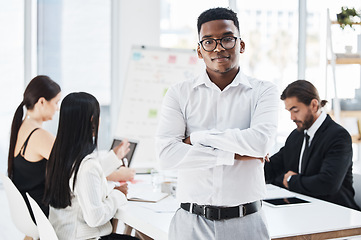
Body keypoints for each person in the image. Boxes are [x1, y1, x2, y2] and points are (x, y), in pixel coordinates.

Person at [156, 7, 278, 240]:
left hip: (247, 224)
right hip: (190, 224)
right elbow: (166, 155)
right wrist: (235, 154)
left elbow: (260, 143)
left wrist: (198, 139)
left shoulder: (264, 91)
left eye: (227, 39)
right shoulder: (179, 93)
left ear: (241, 44)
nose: (219, 47)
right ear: (200, 51)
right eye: (209, 42)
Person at [43, 92, 139, 240]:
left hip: (63, 234)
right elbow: (96, 217)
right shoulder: (87, 166)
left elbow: (86, 174)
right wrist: (118, 195)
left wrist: (114, 157)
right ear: (93, 121)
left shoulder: (60, 156)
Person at [265, 80, 360, 211]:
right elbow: (273, 168)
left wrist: (291, 180)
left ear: (314, 105)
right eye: (289, 111)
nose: (292, 117)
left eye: (295, 110)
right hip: (305, 209)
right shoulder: (296, 135)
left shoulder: (338, 136)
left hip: (336, 213)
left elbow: (327, 184)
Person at [8, 75, 61, 228]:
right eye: (56, 102)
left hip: (27, 210)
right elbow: (75, 166)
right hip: (40, 213)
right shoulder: (38, 135)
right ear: (42, 102)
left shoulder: (21, 128)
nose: (58, 108)